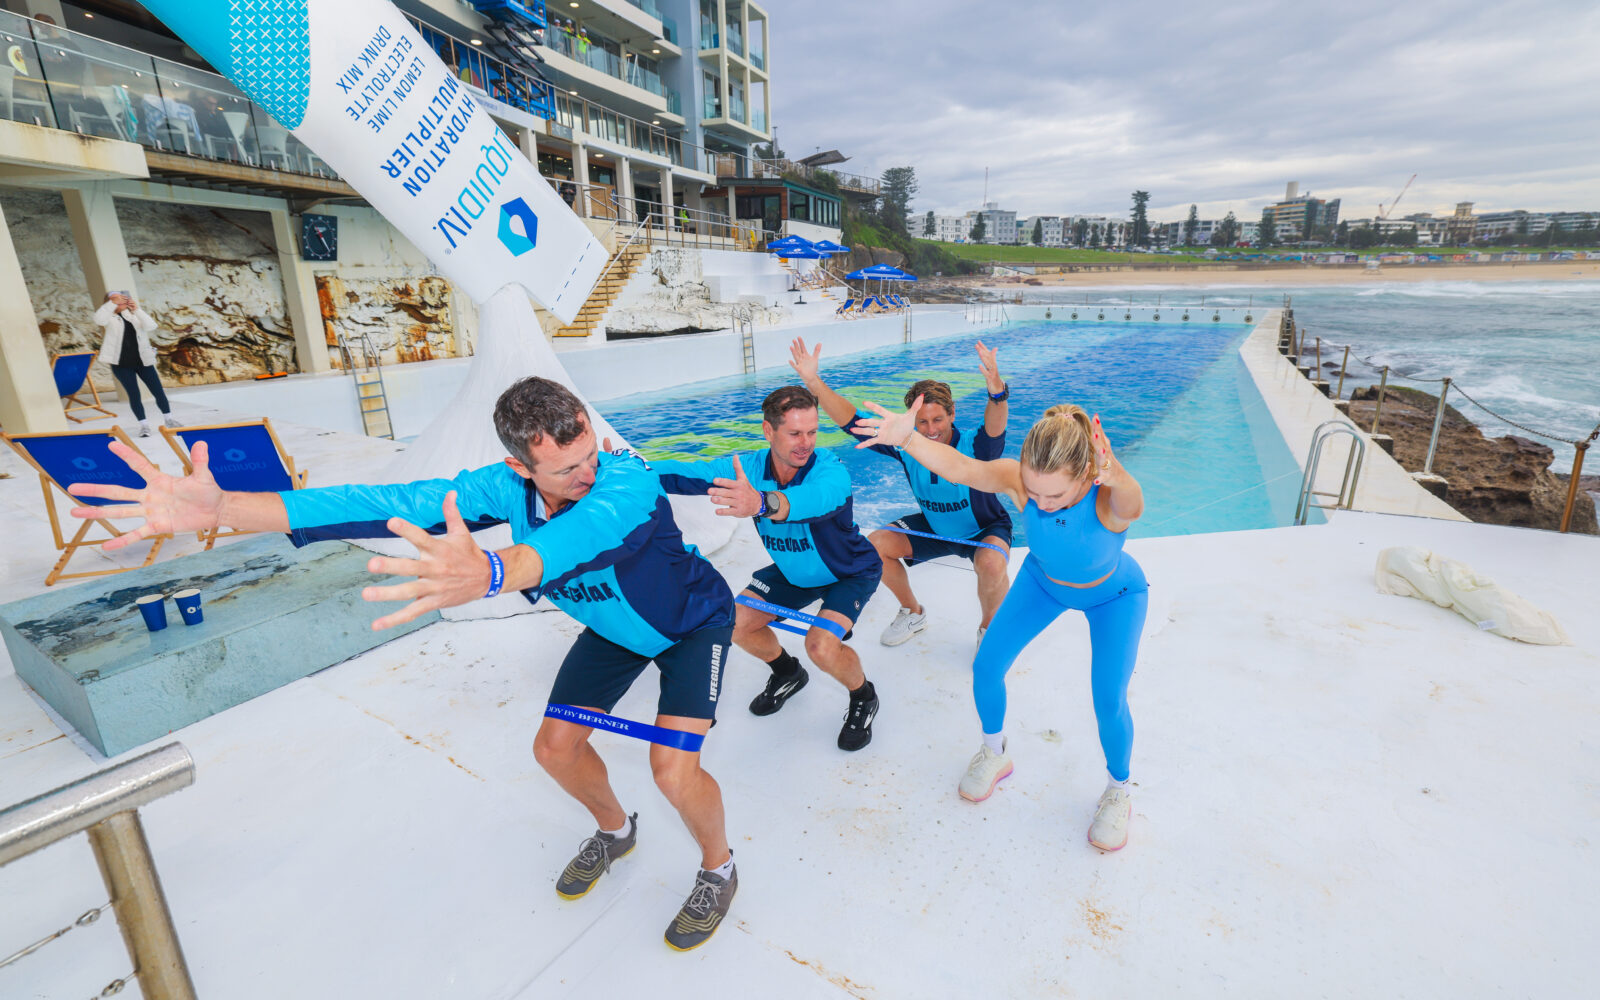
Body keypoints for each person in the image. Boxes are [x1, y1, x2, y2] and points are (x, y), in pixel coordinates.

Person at [67, 377, 741, 951]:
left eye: (588, 455)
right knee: (554, 749)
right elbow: (385, 503)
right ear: (520, 469)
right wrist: (228, 508)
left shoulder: (626, 482)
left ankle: (719, 868)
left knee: (671, 768)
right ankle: (616, 830)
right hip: (613, 631)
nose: (586, 474)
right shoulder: (504, 489)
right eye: (566, 470)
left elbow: (574, 540)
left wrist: (493, 571)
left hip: (689, 624)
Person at [852, 401, 1149, 852]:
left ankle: (1118, 790)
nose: (1041, 504)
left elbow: (1135, 504)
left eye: (1056, 497)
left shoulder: (1106, 495)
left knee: (1108, 700)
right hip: (1044, 583)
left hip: (1114, 596)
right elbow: (963, 469)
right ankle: (994, 753)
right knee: (986, 667)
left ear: (1088, 473)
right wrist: (907, 439)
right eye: (1034, 492)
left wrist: (1118, 474)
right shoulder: (1021, 479)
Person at [646, 386, 885, 751]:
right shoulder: (748, 468)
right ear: (768, 431)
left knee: (820, 645)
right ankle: (788, 673)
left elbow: (812, 501)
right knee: (735, 625)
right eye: (794, 433)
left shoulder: (830, 471)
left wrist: (759, 501)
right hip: (794, 573)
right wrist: (629, 469)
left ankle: (864, 695)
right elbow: (685, 474)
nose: (805, 443)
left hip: (848, 572)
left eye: (812, 432)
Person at [788, 337, 1012, 649]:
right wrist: (812, 381)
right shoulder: (905, 444)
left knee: (990, 564)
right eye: (922, 422)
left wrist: (996, 389)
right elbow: (851, 422)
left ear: (953, 414)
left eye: (938, 419)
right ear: (911, 421)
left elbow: (996, 420)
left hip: (985, 528)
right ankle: (913, 612)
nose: (931, 428)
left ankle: (989, 630)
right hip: (935, 529)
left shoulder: (976, 445)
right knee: (876, 546)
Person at [94, 291, 177, 437]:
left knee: (158, 391)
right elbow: (99, 319)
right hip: (121, 364)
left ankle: (169, 419)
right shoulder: (109, 318)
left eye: (124, 299)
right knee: (134, 395)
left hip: (143, 361)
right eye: (118, 300)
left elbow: (151, 326)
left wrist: (136, 309)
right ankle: (144, 425)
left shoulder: (133, 315)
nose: (123, 302)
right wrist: (112, 303)